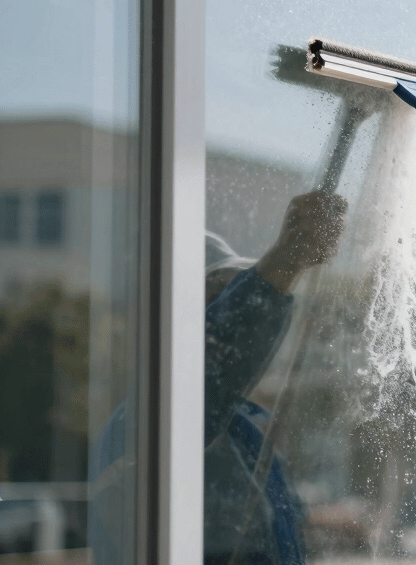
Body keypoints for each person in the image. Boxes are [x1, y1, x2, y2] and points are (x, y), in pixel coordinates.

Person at [92, 191, 345, 565]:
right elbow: (211, 363)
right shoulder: (149, 419)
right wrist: (285, 261)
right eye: (219, 293)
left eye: (236, 288)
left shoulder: (241, 428)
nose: (234, 305)